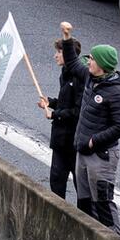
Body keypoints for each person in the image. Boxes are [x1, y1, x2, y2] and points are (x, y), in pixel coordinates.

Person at [72, 44, 120, 231]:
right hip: (83, 152)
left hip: (101, 156)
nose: (89, 61)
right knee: (84, 202)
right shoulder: (91, 78)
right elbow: (73, 63)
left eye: (93, 59)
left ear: (102, 64)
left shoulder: (116, 92)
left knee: (102, 202)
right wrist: (66, 39)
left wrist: (93, 141)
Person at [39, 38, 87, 201]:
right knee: (56, 181)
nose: (55, 56)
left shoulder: (79, 78)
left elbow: (78, 110)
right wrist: (51, 102)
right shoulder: (65, 74)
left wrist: (55, 114)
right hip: (61, 139)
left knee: (80, 187)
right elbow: (66, 102)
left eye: (59, 52)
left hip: (72, 140)